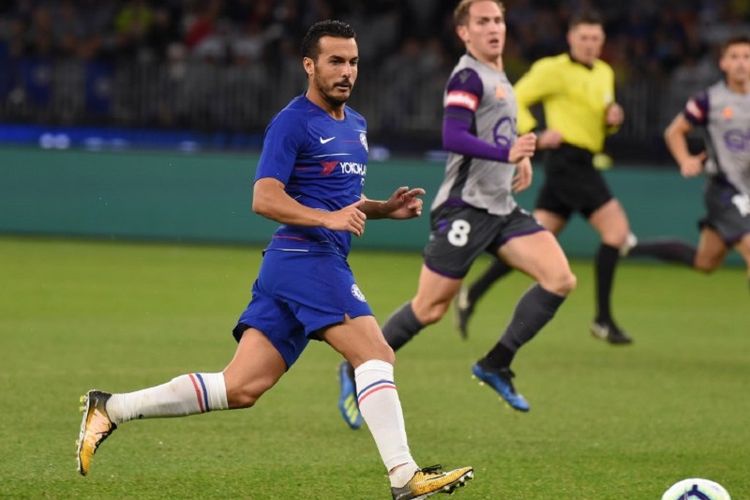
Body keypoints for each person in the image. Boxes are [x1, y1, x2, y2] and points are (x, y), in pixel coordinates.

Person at [76, 20, 473, 500]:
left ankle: (111, 407)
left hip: (294, 264)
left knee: (240, 387)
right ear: (309, 65)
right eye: (335, 61)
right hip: (306, 258)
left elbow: (339, 196)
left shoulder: (357, 125)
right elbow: (264, 198)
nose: (346, 72)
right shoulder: (292, 121)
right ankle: (404, 476)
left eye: (353, 62)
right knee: (375, 353)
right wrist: (326, 221)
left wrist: (382, 209)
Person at [336, 0, 576, 426]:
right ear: (464, 32)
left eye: (498, 20)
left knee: (560, 278)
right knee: (430, 308)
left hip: (501, 208)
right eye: (482, 21)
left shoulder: (499, 76)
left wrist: (517, 154)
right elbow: (453, 135)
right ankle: (356, 365)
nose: (494, 28)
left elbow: (496, 128)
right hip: (464, 207)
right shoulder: (467, 75)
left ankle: (496, 363)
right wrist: (507, 151)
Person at [454, 10, 635, 345]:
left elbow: (601, 119)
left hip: (584, 160)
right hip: (567, 160)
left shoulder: (605, 72)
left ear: (603, 41)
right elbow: (513, 98)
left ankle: (471, 293)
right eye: (583, 38)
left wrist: (613, 120)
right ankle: (603, 320)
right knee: (617, 233)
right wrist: (535, 131)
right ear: (571, 38)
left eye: (596, 38)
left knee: (535, 242)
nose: (590, 44)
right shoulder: (553, 69)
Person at [626, 36, 750, 285]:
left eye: (747, 57)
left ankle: (631, 246)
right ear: (723, 63)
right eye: (734, 56)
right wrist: (685, 160)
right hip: (725, 189)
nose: (741, 63)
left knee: (705, 262)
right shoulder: (709, 100)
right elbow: (674, 131)